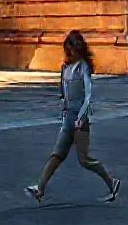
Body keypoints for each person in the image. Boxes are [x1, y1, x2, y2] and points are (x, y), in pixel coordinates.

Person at [25, 30, 121, 203]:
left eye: (72, 48)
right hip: (68, 117)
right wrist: (64, 111)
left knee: (84, 160)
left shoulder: (83, 66)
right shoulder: (65, 68)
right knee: (57, 154)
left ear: (78, 48)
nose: (69, 52)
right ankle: (40, 188)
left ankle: (112, 182)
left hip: (80, 117)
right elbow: (63, 94)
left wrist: (81, 116)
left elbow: (88, 95)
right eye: (67, 49)